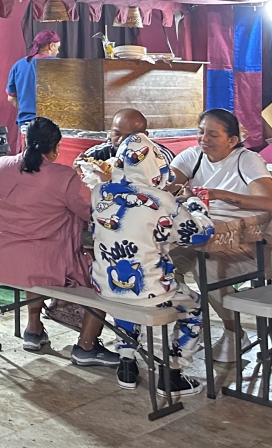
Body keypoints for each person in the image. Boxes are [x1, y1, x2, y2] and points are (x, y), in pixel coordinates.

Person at [0, 117, 121, 367]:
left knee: (34, 258)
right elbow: (89, 212)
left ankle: (34, 328)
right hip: (40, 262)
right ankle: (86, 345)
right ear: (57, 147)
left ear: (26, 140)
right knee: (99, 277)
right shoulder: (63, 176)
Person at [91, 133, 214, 395]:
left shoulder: (99, 192)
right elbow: (199, 234)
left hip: (105, 287)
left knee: (125, 300)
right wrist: (196, 204)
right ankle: (173, 372)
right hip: (152, 293)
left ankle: (127, 364)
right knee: (195, 306)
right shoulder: (161, 201)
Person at [169, 108, 272, 362]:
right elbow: (167, 183)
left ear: (232, 140)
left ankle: (234, 333)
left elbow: (268, 202)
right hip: (201, 233)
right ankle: (188, 320)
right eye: (201, 131)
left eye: (213, 134)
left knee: (208, 266)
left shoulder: (246, 160)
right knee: (161, 262)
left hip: (248, 240)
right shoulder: (192, 156)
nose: (204, 138)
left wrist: (216, 194)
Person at [6, 30, 61, 154]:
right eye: (57, 48)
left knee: (26, 164)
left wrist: (27, 107)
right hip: (51, 126)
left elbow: (11, 98)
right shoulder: (60, 65)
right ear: (51, 45)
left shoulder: (18, 65)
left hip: (26, 125)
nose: (57, 52)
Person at [78, 108, 150, 162]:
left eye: (130, 136)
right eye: (117, 134)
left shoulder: (157, 155)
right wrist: (79, 170)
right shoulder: (96, 154)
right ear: (110, 133)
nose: (121, 140)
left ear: (145, 136)